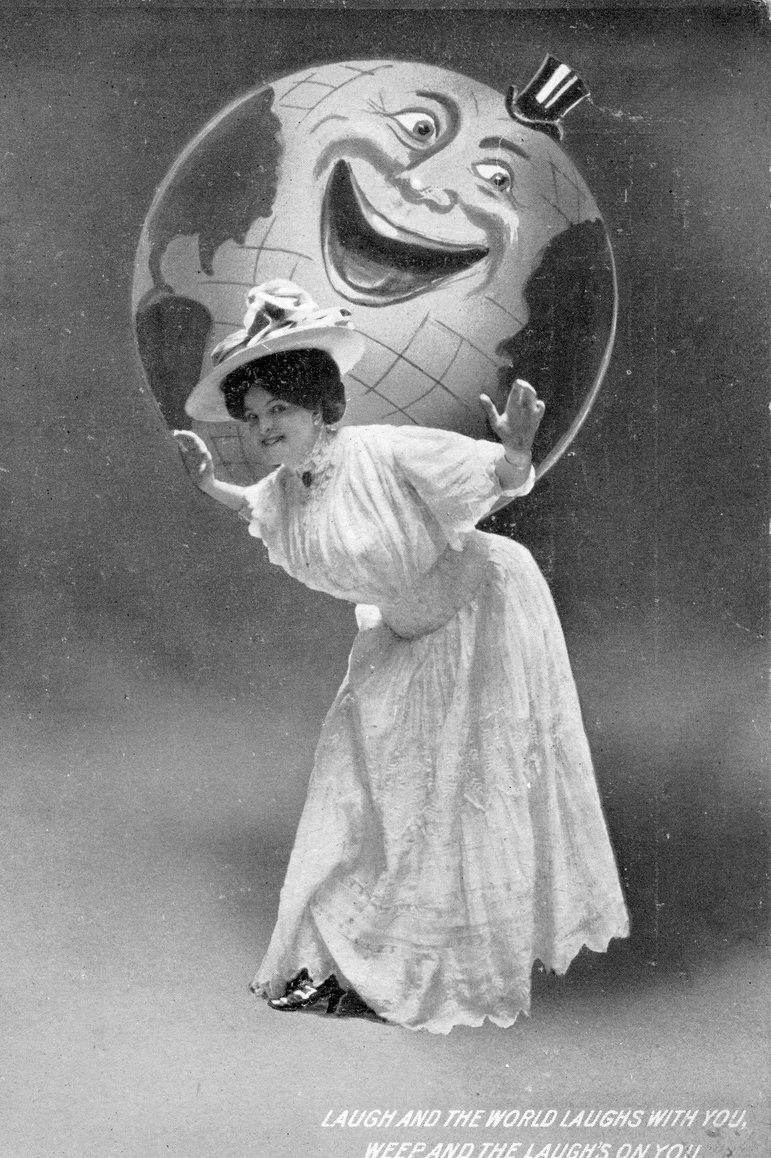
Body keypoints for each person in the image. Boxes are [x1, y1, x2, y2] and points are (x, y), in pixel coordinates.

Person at [174, 279, 629, 1034]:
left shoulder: (383, 452)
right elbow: (258, 508)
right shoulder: (287, 490)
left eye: (278, 409)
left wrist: (516, 450)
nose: (263, 428)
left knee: (460, 793)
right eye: (252, 418)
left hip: (481, 611)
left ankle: (452, 969)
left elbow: (496, 479)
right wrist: (209, 484)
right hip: (402, 636)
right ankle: (357, 965)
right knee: (358, 792)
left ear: (319, 406)